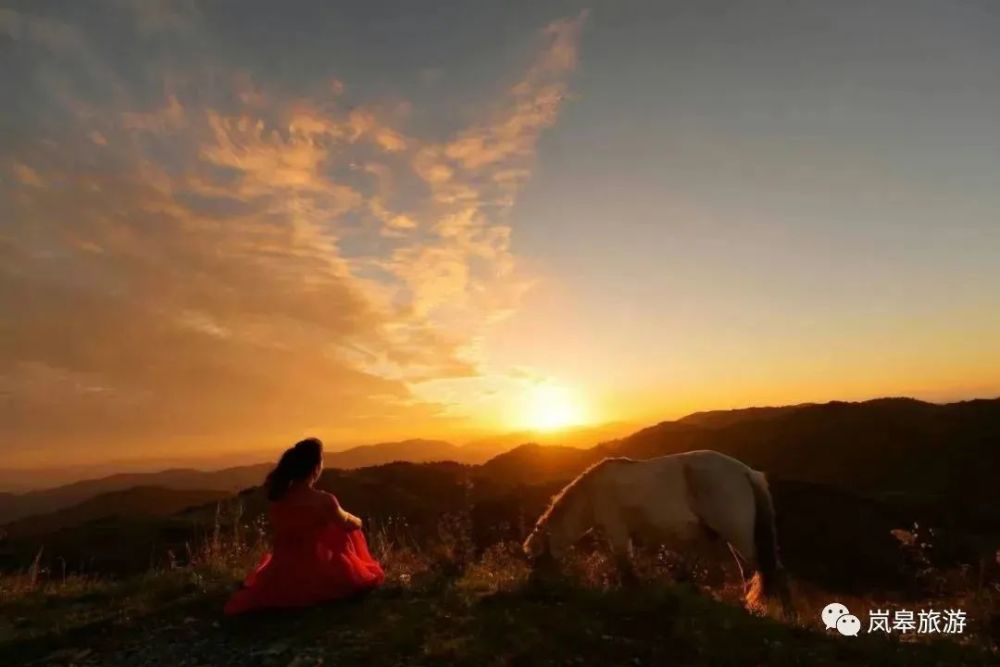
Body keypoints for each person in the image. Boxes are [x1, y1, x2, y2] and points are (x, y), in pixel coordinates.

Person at [224, 438, 384, 614]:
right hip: (316, 574)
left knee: (324, 527)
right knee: (346, 531)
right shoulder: (324, 500)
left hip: (283, 574)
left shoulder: (279, 499)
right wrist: (359, 521)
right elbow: (348, 523)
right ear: (316, 467)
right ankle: (354, 571)